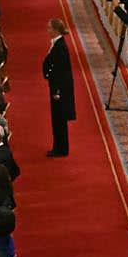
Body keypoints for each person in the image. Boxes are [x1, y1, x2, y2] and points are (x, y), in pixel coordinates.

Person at [41, 18, 73, 157]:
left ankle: (61, 148)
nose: (47, 30)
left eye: (49, 28)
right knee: (57, 119)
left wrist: (56, 91)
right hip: (56, 87)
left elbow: (61, 72)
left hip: (59, 89)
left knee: (59, 119)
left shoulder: (60, 47)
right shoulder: (57, 43)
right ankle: (58, 146)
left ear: (55, 30)